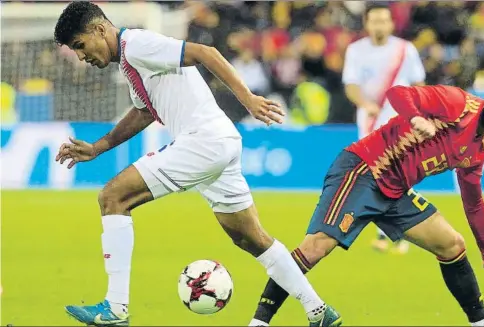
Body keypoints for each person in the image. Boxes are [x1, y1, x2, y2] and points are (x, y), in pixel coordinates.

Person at [53, 2, 341, 326]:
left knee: (112, 197)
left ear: (99, 30)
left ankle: (116, 308)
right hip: (220, 142)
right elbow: (145, 111)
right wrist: (99, 147)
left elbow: (206, 52)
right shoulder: (132, 60)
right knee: (251, 238)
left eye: (80, 46)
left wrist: (249, 99)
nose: (81, 56)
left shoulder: (137, 44)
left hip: (203, 141)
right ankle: (317, 310)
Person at [249, 75, 484, 327]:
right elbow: (398, 94)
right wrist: (416, 116)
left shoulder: (479, 148)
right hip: (364, 170)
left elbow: (473, 200)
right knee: (315, 248)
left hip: (395, 191)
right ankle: (259, 321)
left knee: (452, 245)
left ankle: (481, 322)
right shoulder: (456, 103)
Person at [342, 4, 426, 253]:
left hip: (400, 119)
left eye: (383, 21)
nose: (379, 26)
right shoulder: (356, 50)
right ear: (367, 24)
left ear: (391, 24)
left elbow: (419, 84)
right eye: (374, 21)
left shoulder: (404, 49)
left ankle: (399, 231)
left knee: (401, 171)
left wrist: (419, 112)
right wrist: (365, 104)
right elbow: (351, 84)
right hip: (370, 119)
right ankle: (387, 231)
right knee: (375, 175)